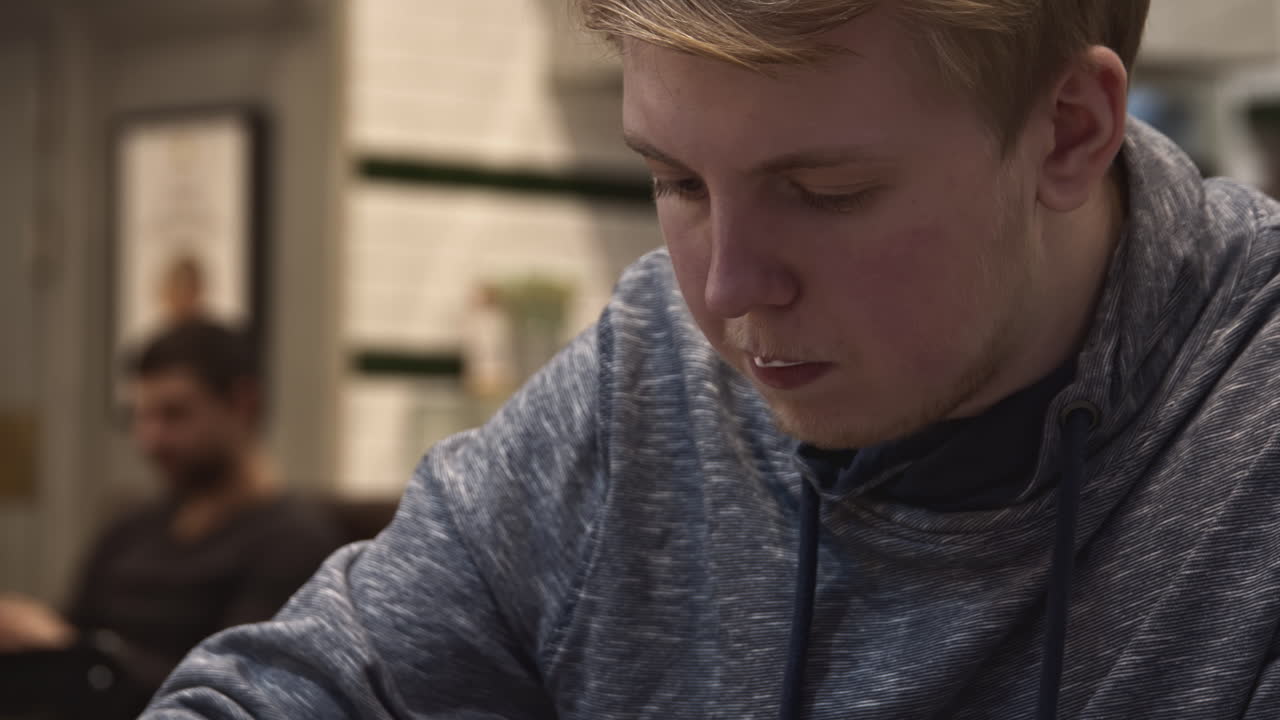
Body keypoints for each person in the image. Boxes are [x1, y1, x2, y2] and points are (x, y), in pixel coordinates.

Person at [142, 1, 1280, 718]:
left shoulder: (1250, 420)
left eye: (824, 193)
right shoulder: (650, 374)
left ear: (1068, 131)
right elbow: (299, 685)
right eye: (677, 183)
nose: (726, 294)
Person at [0, 320, 342, 719]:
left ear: (244, 405)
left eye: (174, 415)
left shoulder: (294, 543)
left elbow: (237, 690)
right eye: (142, 416)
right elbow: (69, 633)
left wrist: (87, 654)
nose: (150, 439)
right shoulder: (130, 527)